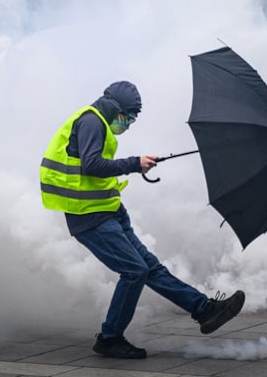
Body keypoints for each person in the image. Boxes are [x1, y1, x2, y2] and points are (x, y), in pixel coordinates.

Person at [40, 81, 245, 359]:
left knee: (150, 268)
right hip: (89, 218)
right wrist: (134, 164)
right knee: (135, 271)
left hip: (109, 211)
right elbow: (92, 165)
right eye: (130, 117)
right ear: (118, 109)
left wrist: (136, 165)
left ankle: (204, 310)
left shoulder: (98, 120)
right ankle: (110, 338)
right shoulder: (91, 121)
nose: (130, 123)